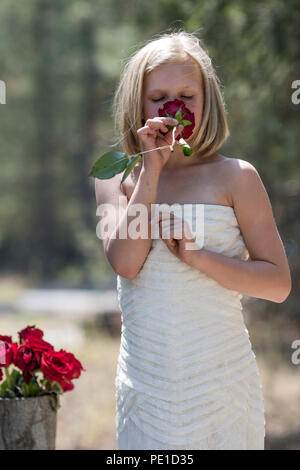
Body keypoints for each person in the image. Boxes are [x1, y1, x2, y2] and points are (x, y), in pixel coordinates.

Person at [94, 30, 291, 450]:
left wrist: (199, 257)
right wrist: (151, 169)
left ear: (208, 102)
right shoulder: (116, 179)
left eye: (187, 95)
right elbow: (126, 263)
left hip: (221, 387)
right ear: (136, 103)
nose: (174, 107)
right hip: (146, 389)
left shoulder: (237, 177)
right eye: (159, 97)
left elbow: (277, 284)